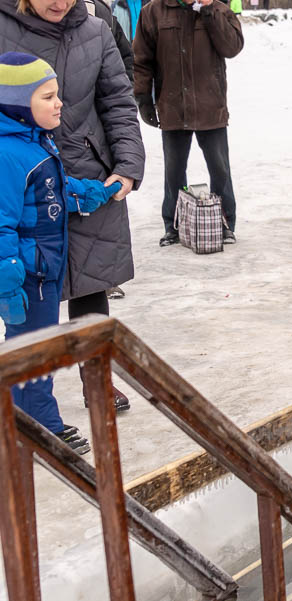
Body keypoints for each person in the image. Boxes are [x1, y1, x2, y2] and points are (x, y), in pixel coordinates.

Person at [1, 0, 146, 413]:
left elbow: (118, 103)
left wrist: (128, 166)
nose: (60, 3)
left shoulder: (96, 31)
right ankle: (31, 403)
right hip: (21, 177)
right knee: (26, 288)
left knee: (92, 284)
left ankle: (96, 381)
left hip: (89, 177)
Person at [0, 52, 121, 453]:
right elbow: (1, 224)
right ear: (18, 105)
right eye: (47, 97)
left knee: (37, 343)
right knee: (35, 348)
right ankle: (41, 427)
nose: (59, 104)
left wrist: (99, 191)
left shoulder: (35, 144)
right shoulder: (8, 155)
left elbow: (58, 191)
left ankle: (24, 422)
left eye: (57, 95)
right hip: (28, 274)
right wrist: (10, 283)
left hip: (44, 267)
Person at [133, 0, 244, 247]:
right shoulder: (152, 12)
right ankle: (172, 226)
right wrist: (143, 99)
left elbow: (233, 47)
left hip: (210, 106)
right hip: (173, 106)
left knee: (220, 170)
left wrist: (208, 10)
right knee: (174, 172)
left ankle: (226, 222)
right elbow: (141, 60)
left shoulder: (218, 9)